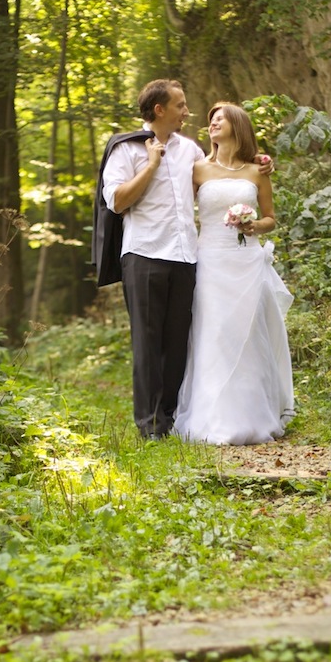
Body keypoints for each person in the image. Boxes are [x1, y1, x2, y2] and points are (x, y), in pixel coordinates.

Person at [101, 80, 272, 440]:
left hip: (185, 257)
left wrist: (256, 162)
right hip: (144, 253)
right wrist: (149, 166)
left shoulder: (190, 150)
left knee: (178, 342)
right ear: (159, 109)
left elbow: (220, 172)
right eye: (180, 105)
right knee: (148, 343)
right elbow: (116, 202)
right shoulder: (126, 149)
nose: (187, 111)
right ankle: (148, 427)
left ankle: (171, 419)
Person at [173, 102, 295, 446]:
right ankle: (211, 417)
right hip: (210, 259)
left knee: (249, 332)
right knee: (213, 331)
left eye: (220, 119)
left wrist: (255, 224)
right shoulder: (197, 169)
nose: (213, 123)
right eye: (210, 119)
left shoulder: (257, 172)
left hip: (246, 261)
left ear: (237, 126)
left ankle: (254, 414)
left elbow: (271, 217)